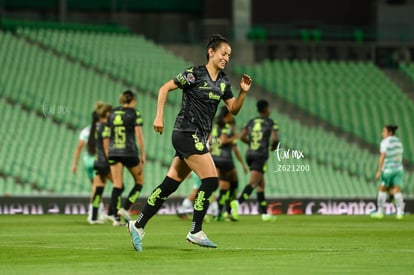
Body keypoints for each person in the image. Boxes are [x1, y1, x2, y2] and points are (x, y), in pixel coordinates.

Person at [128, 34, 252, 251]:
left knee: (170, 184)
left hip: (196, 136)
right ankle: (196, 230)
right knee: (211, 179)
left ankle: (137, 225)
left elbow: (233, 109)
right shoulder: (194, 74)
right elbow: (164, 88)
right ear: (211, 52)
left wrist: (242, 92)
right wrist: (159, 116)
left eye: (229, 55)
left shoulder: (223, 81)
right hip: (186, 131)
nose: (226, 58)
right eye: (223, 53)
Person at [231, 99, 278, 222]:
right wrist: (273, 147)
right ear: (267, 109)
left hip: (250, 154)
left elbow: (241, 137)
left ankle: (264, 214)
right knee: (253, 183)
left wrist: (251, 143)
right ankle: (237, 202)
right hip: (260, 155)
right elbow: (275, 139)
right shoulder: (271, 122)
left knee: (261, 184)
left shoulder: (251, 121)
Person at [103, 90, 146, 226]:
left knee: (117, 184)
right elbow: (139, 136)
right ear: (133, 100)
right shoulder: (135, 113)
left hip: (114, 151)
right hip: (129, 151)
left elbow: (107, 134)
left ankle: (114, 216)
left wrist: (107, 152)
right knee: (139, 181)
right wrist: (143, 154)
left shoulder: (112, 113)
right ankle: (125, 209)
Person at [210, 106, 248, 221]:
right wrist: (235, 137)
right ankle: (229, 207)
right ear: (228, 115)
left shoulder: (215, 127)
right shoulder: (227, 127)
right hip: (225, 159)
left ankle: (219, 212)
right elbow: (223, 141)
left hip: (215, 158)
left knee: (224, 185)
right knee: (234, 183)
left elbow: (211, 141)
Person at [71, 108, 104, 222]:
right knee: (97, 188)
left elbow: (79, 148)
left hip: (87, 161)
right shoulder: (101, 129)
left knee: (96, 187)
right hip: (97, 160)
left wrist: (74, 164)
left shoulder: (85, 131)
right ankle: (92, 214)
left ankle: (99, 210)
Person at [86, 102, 113, 224]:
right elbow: (106, 148)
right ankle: (114, 214)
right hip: (105, 162)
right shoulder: (106, 127)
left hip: (98, 161)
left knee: (98, 190)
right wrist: (111, 161)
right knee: (119, 186)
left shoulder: (96, 126)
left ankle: (93, 216)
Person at [371, 125, 404, 220]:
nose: (382, 133)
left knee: (382, 189)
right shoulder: (398, 142)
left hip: (388, 169)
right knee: (396, 190)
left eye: (384, 131)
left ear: (389, 132)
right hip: (398, 169)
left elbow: (382, 156)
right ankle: (399, 213)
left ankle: (380, 212)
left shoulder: (385, 142)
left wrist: (379, 170)